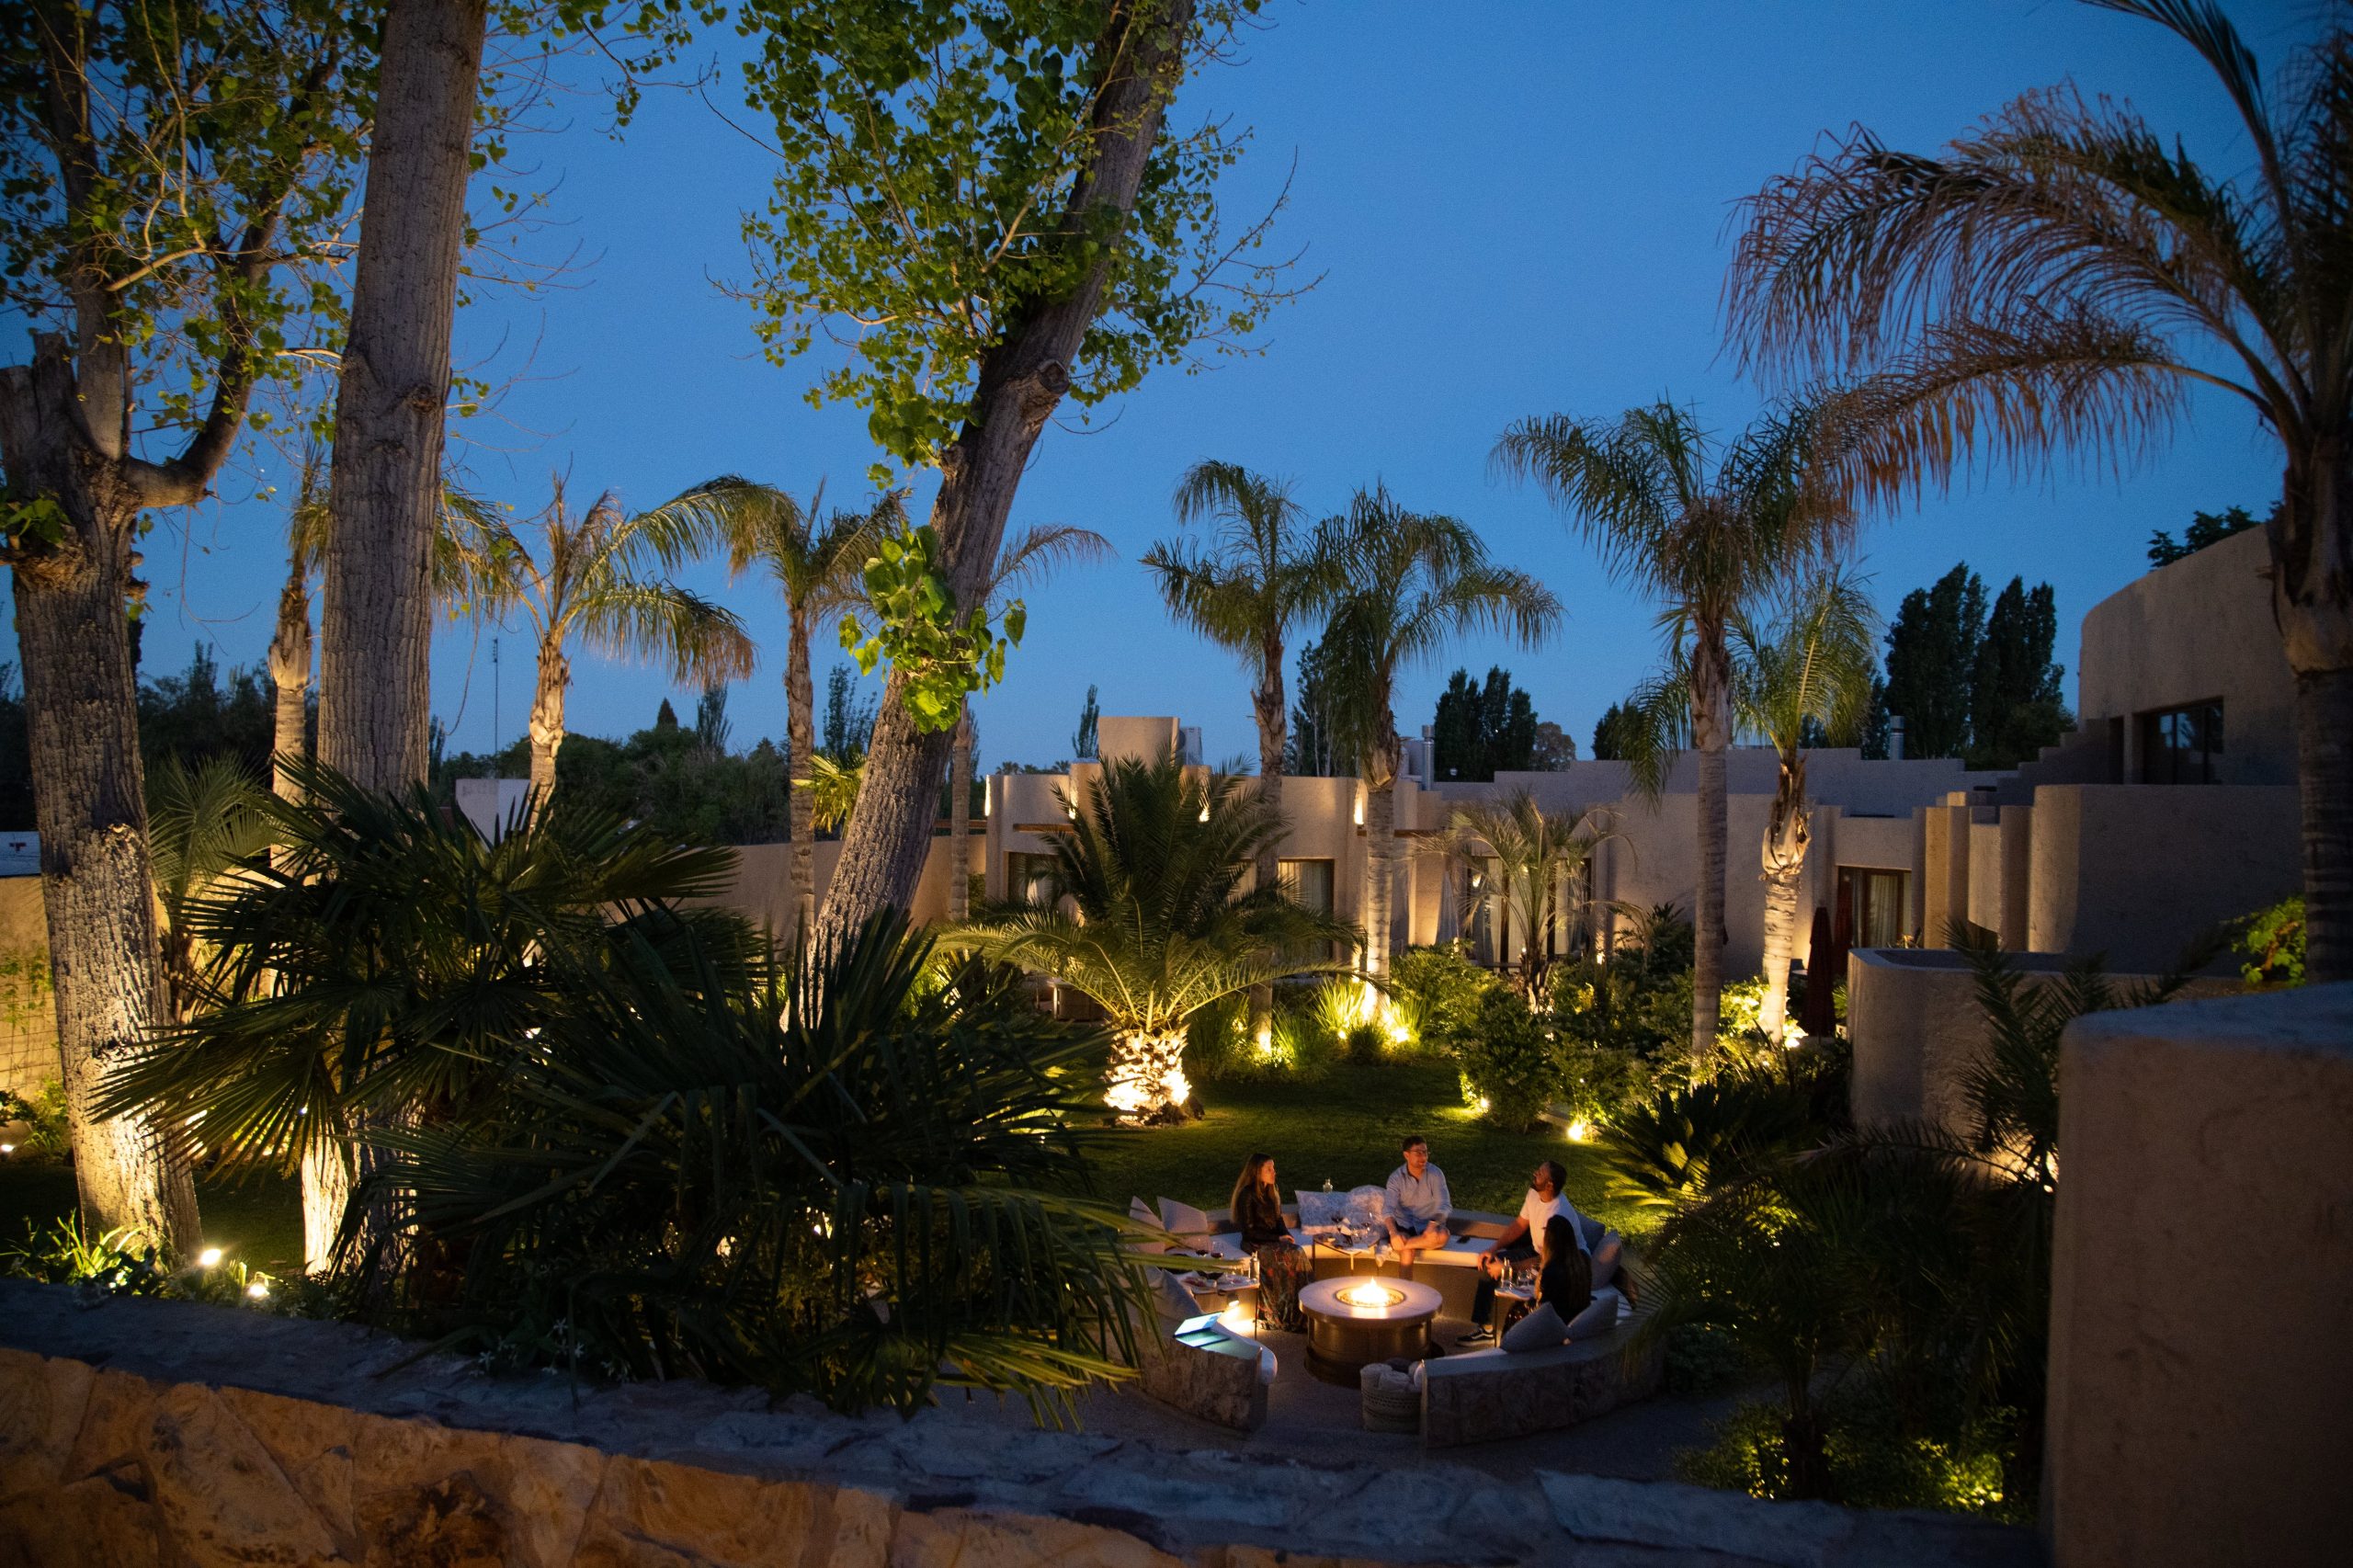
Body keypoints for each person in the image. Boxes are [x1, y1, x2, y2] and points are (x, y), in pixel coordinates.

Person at [1458, 1160, 1587, 1346]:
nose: (1535, 1174)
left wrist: (1507, 1267)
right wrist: (1493, 1249)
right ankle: (1485, 1328)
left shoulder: (1558, 1213)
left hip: (1565, 1261)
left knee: (1510, 1273)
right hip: (1539, 1251)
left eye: (1540, 1173)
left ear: (1550, 1184)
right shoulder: (1534, 1193)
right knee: (1490, 1263)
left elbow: (1546, 1260)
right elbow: (1519, 1225)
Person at [1227, 1152, 1309, 1331]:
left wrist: (1286, 1235)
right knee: (1291, 1255)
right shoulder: (1247, 1195)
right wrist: (1277, 1238)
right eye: (1269, 1169)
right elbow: (1249, 1231)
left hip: (1272, 1241)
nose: (1274, 1172)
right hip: (1254, 1242)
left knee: (1297, 1251)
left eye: (1274, 1168)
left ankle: (1300, 1310)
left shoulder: (1271, 1192)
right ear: (1257, 1172)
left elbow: (1279, 1220)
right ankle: (1280, 1314)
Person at [1382, 1134, 1452, 1257]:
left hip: (1428, 1226)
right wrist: (1393, 1234)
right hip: (1405, 1226)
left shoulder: (1435, 1174)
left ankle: (1398, 1245)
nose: (1423, 1157)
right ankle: (1403, 1247)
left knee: (1443, 1235)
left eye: (1425, 1152)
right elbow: (1388, 1209)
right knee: (1407, 1252)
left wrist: (1432, 1225)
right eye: (1418, 1153)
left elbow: (1444, 1205)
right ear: (1406, 1155)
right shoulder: (1396, 1178)